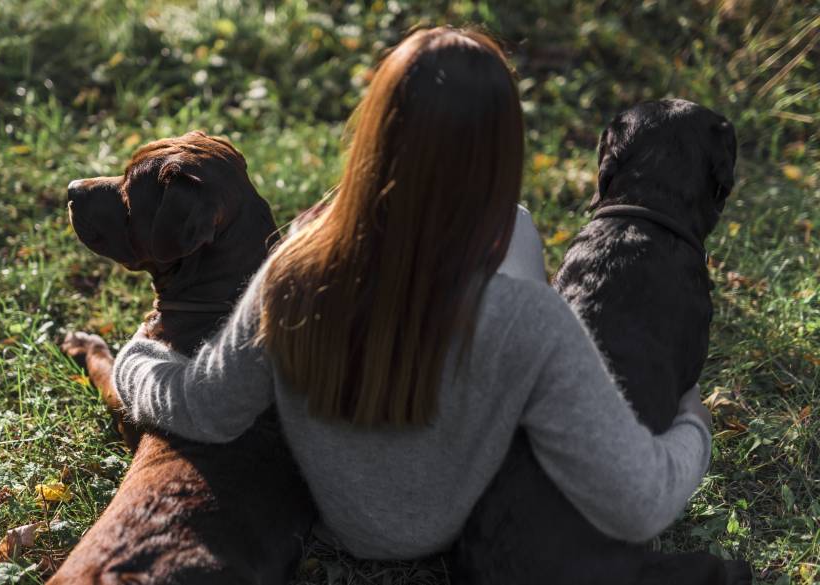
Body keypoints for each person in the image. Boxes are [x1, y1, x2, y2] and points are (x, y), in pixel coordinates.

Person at [113, 27, 712, 560]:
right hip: (465, 518)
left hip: (346, 525)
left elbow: (205, 410)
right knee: (520, 227)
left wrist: (133, 361)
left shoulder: (291, 273)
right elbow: (642, 500)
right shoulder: (531, 320)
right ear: (501, 153)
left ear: (374, 130)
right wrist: (692, 417)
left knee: (507, 234)